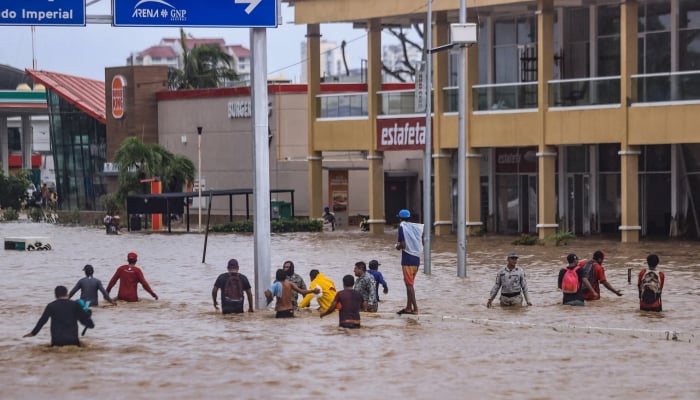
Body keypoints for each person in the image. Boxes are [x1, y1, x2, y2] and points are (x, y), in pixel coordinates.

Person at [24, 285, 95, 346]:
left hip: (57, 341)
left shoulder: (51, 306)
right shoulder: (75, 304)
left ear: (55, 296)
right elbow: (85, 321)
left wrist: (33, 333)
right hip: (73, 340)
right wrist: (88, 314)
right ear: (67, 294)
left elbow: (42, 321)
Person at [395, 209, 423, 315]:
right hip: (416, 260)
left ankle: (415, 308)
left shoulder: (402, 227)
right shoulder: (415, 228)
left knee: (409, 286)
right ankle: (408, 307)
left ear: (399, 218)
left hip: (407, 260)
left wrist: (397, 247)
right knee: (410, 284)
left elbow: (403, 245)